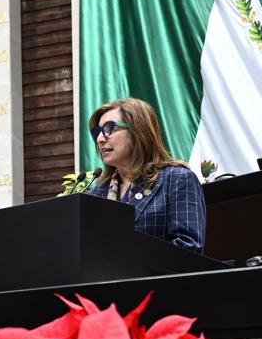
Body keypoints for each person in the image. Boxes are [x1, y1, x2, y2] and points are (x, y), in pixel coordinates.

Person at [84, 98, 207, 253]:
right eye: (97, 132)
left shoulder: (177, 179)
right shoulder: (97, 193)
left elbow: (188, 248)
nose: (100, 139)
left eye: (109, 128)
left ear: (138, 131)